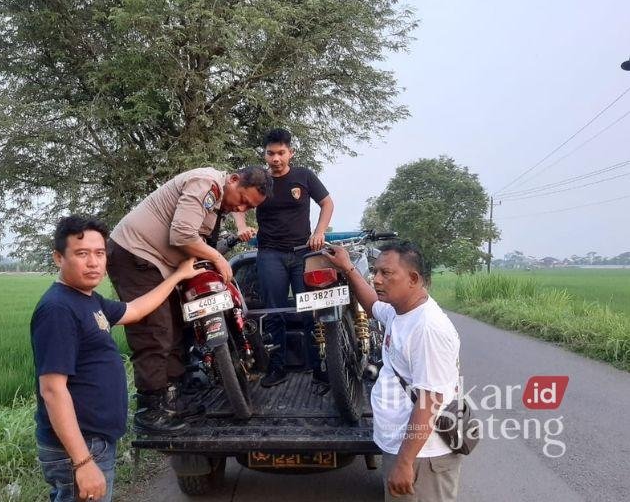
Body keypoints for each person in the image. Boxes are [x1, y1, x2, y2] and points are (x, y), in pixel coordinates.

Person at [31, 215, 203, 502]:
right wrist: (83, 463)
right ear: (58, 258)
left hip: (94, 442)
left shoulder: (87, 299)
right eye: (82, 254)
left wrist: (177, 276)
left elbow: (134, 310)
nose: (94, 262)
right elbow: (52, 389)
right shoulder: (58, 309)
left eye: (100, 253)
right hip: (80, 448)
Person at [107, 166, 272, 433]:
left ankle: (172, 400)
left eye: (248, 208)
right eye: (242, 200)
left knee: (178, 326)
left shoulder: (218, 203)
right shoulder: (205, 183)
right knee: (155, 330)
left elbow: (197, 242)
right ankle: (151, 411)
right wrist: (218, 258)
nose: (241, 209)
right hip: (135, 254)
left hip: (159, 264)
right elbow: (182, 234)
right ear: (233, 179)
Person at [325, 240, 462, 501]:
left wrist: (405, 462)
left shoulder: (428, 329)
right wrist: (348, 268)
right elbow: (372, 306)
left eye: (386, 273)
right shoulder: (401, 312)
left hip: (424, 456)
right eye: (375, 272)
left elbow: (430, 400)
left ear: (412, 278)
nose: (376, 279)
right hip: (405, 448)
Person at [234, 128, 334, 387]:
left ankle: (318, 369)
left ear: (291, 152)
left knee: (310, 311)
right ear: (264, 154)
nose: (275, 158)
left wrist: (320, 232)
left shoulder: (304, 176)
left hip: (303, 253)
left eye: (281, 153)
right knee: (273, 312)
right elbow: (237, 202)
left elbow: (327, 203)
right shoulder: (258, 179)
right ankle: (276, 368)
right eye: (270, 153)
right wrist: (241, 227)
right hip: (270, 254)